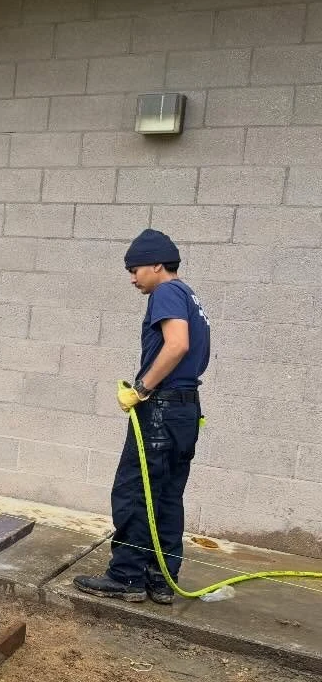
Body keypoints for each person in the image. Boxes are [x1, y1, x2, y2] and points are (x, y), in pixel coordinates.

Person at [75, 229, 211, 606]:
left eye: (135, 269)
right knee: (167, 495)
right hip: (186, 408)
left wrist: (142, 389)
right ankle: (162, 579)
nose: (133, 278)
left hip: (162, 408)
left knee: (135, 491)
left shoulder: (167, 291)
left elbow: (177, 344)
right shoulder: (189, 295)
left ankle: (127, 577)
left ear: (157, 265)